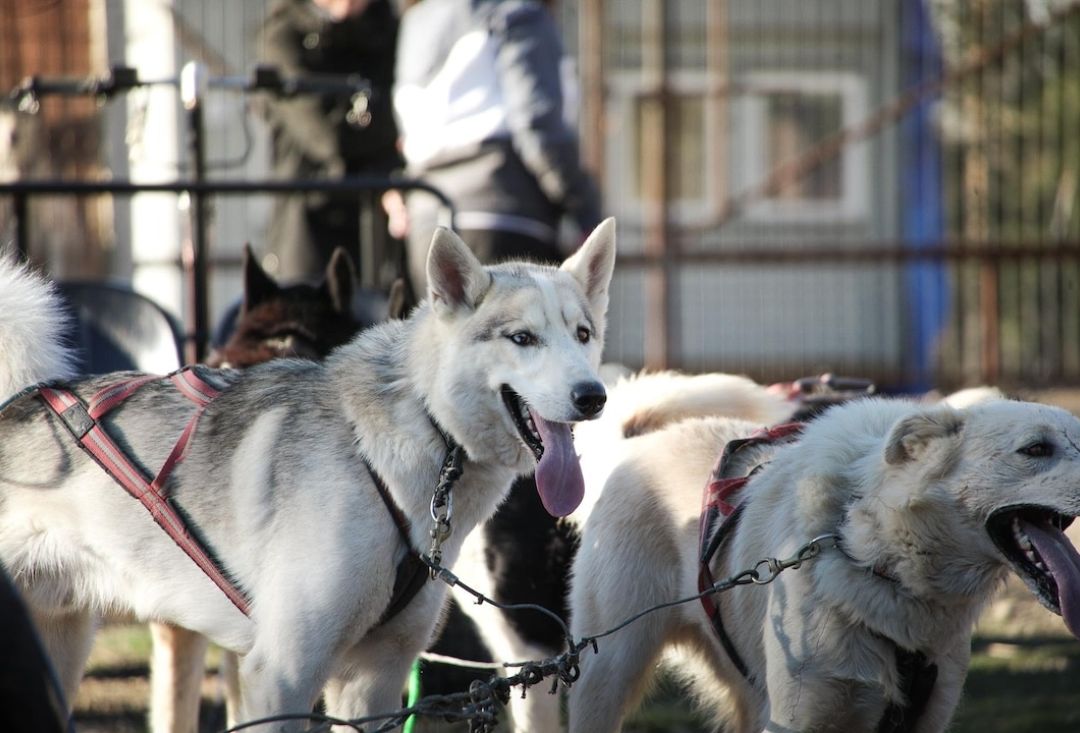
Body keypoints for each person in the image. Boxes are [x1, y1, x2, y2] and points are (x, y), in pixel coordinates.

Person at [389, 0, 602, 292]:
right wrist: (586, 210)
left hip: (427, 224)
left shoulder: (417, 19)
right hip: (507, 217)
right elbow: (539, 126)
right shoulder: (517, 12)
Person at [258, 0, 403, 282]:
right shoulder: (286, 33)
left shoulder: (389, 29)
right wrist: (385, 122)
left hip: (382, 222)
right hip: (307, 225)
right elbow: (326, 136)